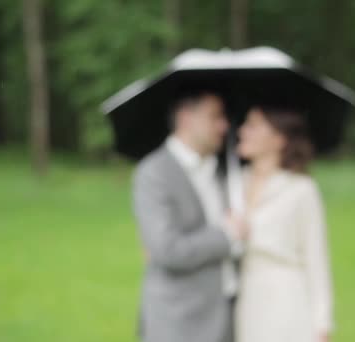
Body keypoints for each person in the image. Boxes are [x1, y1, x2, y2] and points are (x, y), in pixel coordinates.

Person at [132, 91, 247, 342]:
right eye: (214, 116)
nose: (224, 125)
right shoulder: (154, 173)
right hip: (178, 322)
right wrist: (226, 237)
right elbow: (167, 249)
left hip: (227, 318)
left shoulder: (225, 171)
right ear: (186, 118)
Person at [234, 106, 334, 342]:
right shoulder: (234, 184)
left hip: (287, 300)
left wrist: (322, 323)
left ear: (278, 139)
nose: (242, 131)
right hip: (245, 299)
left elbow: (316, 257)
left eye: (253, 125)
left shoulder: (300, 189)